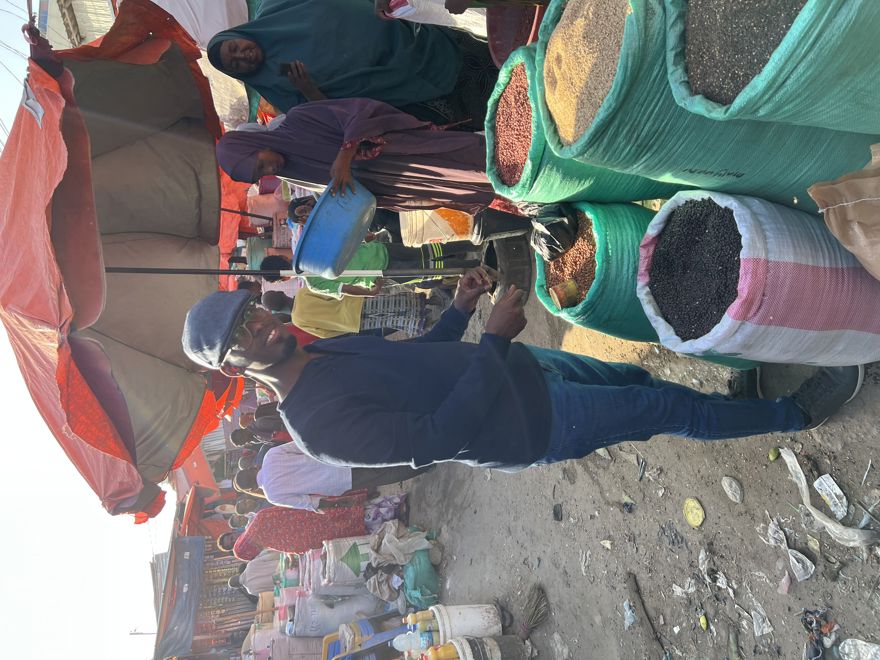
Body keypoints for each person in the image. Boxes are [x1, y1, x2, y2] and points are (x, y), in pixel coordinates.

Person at [182, 274, 864, 473]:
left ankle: (740, 402)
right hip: (533, 422)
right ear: (234, 369)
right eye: (242, 337)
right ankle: (795, 414)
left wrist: (459, 312)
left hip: (524, 365)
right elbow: (438, 434)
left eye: (251, 313)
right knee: (667, 414)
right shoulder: (318, 429)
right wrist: (491, 344)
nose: (261, 327)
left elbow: (421, 361)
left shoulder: (316, 351)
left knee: (643, 389)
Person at [206, 0, 496, 126]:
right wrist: (308, 90)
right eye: (236, 65)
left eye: (236, 48)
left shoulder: (278, 6)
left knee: (505, 47)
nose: (243, 57)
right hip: (411, 82)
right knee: (504, 93)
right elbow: (327, 116)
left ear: (238, 34)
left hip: (423, 27)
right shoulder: (277, 82)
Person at [215, 98, 496, 213]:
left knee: (481, 161)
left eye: (261, 161)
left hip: (412, 154)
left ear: (253, 141)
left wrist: (345, 155)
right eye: (262, 173)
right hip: (400, 186)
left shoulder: (300, 119)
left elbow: (358, 111)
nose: (270, 167)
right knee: (476, 192)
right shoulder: (292, 171)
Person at [239, 441, 428, 510]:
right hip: (334, 457)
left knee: (381, 477)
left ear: (251, 489)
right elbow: (302, 445)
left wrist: (338, 504)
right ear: (250, 469)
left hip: (336, 482)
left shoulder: (273, 496)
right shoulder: (271, 456)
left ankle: (421, 466)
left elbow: (309, 502)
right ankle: (419, 450)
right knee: (378, 456)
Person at [260, 249, 477, 300]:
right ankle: (471, 247)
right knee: (427, 252)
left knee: (428, 271)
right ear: (283, 257)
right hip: (379, 250)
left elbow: (346, 289)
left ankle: (473, 266)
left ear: (284, 278)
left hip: (379, 274)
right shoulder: (311, 251)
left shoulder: (314, 284)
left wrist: (372, 292)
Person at [216, 495, 368, 560]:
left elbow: (298, 547)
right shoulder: (260, 521)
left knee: (355, 520)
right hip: (315, 514)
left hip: (319, 522)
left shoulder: (266, 536)